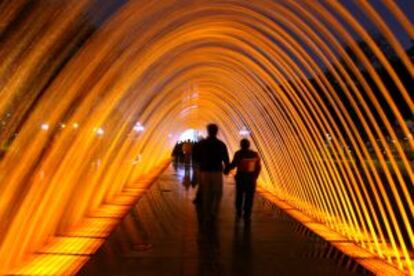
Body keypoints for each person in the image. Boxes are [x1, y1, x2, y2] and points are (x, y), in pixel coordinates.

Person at [197, 124, 229, 223]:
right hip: (216, 171)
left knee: (207, 193)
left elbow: (195, 156)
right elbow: (226, 158)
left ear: (208, 131)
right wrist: (227, 168)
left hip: (205, 171)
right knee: (217, 192)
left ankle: (207, 214)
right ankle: (213, 212)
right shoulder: (221, 144)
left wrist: (200, 164)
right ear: (216, 131)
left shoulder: (202, 144)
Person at [225, 139, 261, 221]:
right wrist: (255, 176)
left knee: (239, 195)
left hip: (241, 178)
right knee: (249, 197)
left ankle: (239, 211)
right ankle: (247, 214)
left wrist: (226, 169)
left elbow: (233, 165)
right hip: (251, 179)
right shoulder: (254, 154)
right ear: (249, 145)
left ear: (241, 145)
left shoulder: (238, 153)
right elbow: (258, 167)